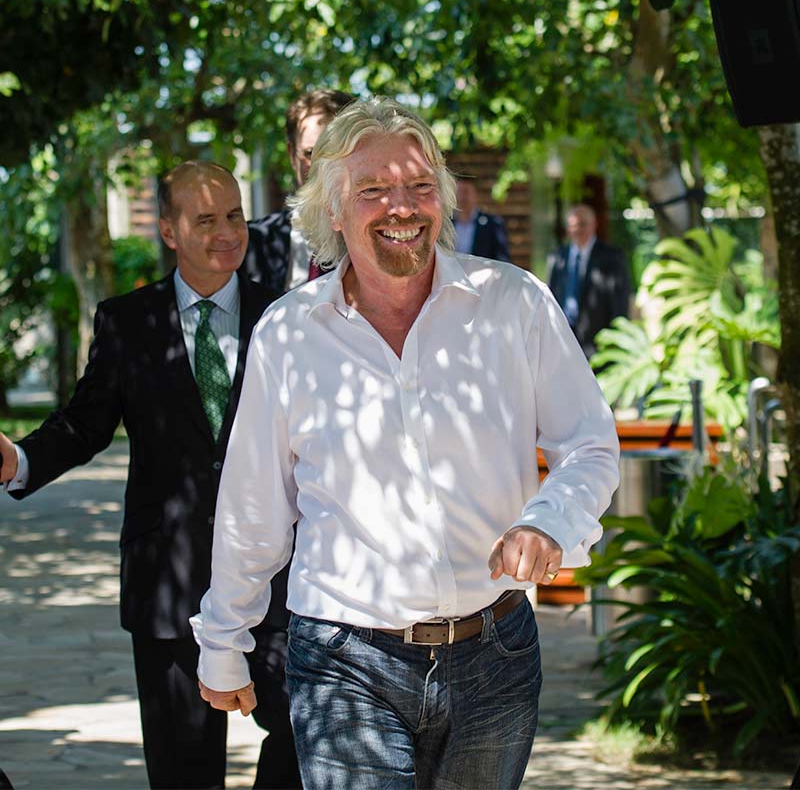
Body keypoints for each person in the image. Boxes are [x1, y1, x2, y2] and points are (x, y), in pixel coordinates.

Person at [191, 99, 620, 790]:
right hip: (342, 657)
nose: (402, 207)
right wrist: (223, 641)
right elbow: (254, 507)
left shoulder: (514, 304)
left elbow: (590, 445)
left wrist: (550, 520)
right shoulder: (289, 332)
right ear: (334, 211)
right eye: (373, 191)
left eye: (420, 187)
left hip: (497, 653)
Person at [0, 161, 300, 790]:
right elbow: (85, 426)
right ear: (168, 230)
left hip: (280, 580)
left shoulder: (288, 320)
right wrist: (21, 460)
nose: (226, 233)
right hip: (169, 583)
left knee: (304, 737)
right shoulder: (127, 323)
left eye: (235, 216)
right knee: (183, 774)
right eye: (206, 220)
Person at [244, 88, 355, 294]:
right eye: (311, 153)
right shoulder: (250, 242)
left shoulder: (382, 237)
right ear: (291, 154)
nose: (323, 165)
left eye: (335, 151)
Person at [546, 203, 631, 359]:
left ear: (594, 225)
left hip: (597, 343)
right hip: (562, 340)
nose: (577, 230)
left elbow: (619, 302)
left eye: (583, 225)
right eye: (573, 226)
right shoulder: (557, 257)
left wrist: (616, 340)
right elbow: (550, 296)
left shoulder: (612, 257)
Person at [453, 177, 511, 262]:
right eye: (458, 192)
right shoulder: (445, 224)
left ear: (476, 195)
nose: (461, 198)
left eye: (465, 192)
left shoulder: (493, 224)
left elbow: (502, 259)